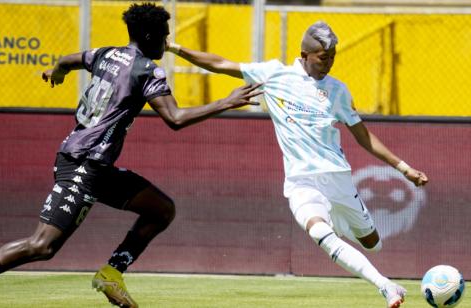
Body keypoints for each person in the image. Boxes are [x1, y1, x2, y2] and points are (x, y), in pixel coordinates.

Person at [0, 3, 262, 308]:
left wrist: (56, 72)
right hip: (82, 164)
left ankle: (111, 274)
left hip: (95, 165)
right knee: (42, 246)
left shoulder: (105, 54)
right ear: (150, 37)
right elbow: (175, 119)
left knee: (161, 210)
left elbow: (67, 59)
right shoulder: (148, 71)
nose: (167, 40)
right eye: (164, 34)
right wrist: (225, 102)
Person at [166, 21, 428, 308]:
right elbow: (219, 63)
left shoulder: (338, 90)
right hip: (301, 182)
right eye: (323, 57)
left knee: (373, 244)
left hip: (337, 178)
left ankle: (338, 222)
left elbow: (363, 137)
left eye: (333, 58)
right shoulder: (275, 74)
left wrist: (404, 168)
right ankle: (387, 287)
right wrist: (174, 47)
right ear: (304, 54)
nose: (329, 63)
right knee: (319, 232)